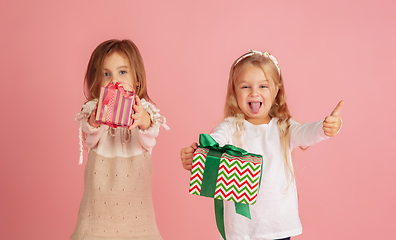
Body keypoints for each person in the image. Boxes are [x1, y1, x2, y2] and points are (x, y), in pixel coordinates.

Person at [180, 50, 343, 240]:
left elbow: (306, 133)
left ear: (276, 90)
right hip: (241, 229)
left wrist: (326, 127)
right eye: (246, 86)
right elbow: (214, 142)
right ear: (235, 91)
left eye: (263, 86)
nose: (254, 92)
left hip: (278, 225)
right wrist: (197, 154)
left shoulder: (284, 127)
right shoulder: (231, 127)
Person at [71, 39, 168, 240]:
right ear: (97, 82)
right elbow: (89, 133)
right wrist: (97, 118)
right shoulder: (93, 110)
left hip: (137, 218)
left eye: (122, 72)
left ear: (137, 80)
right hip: (97, 217)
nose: (114, 80)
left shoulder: (144, 112)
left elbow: (151, 134)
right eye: (106, 74)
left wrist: (143, 119)